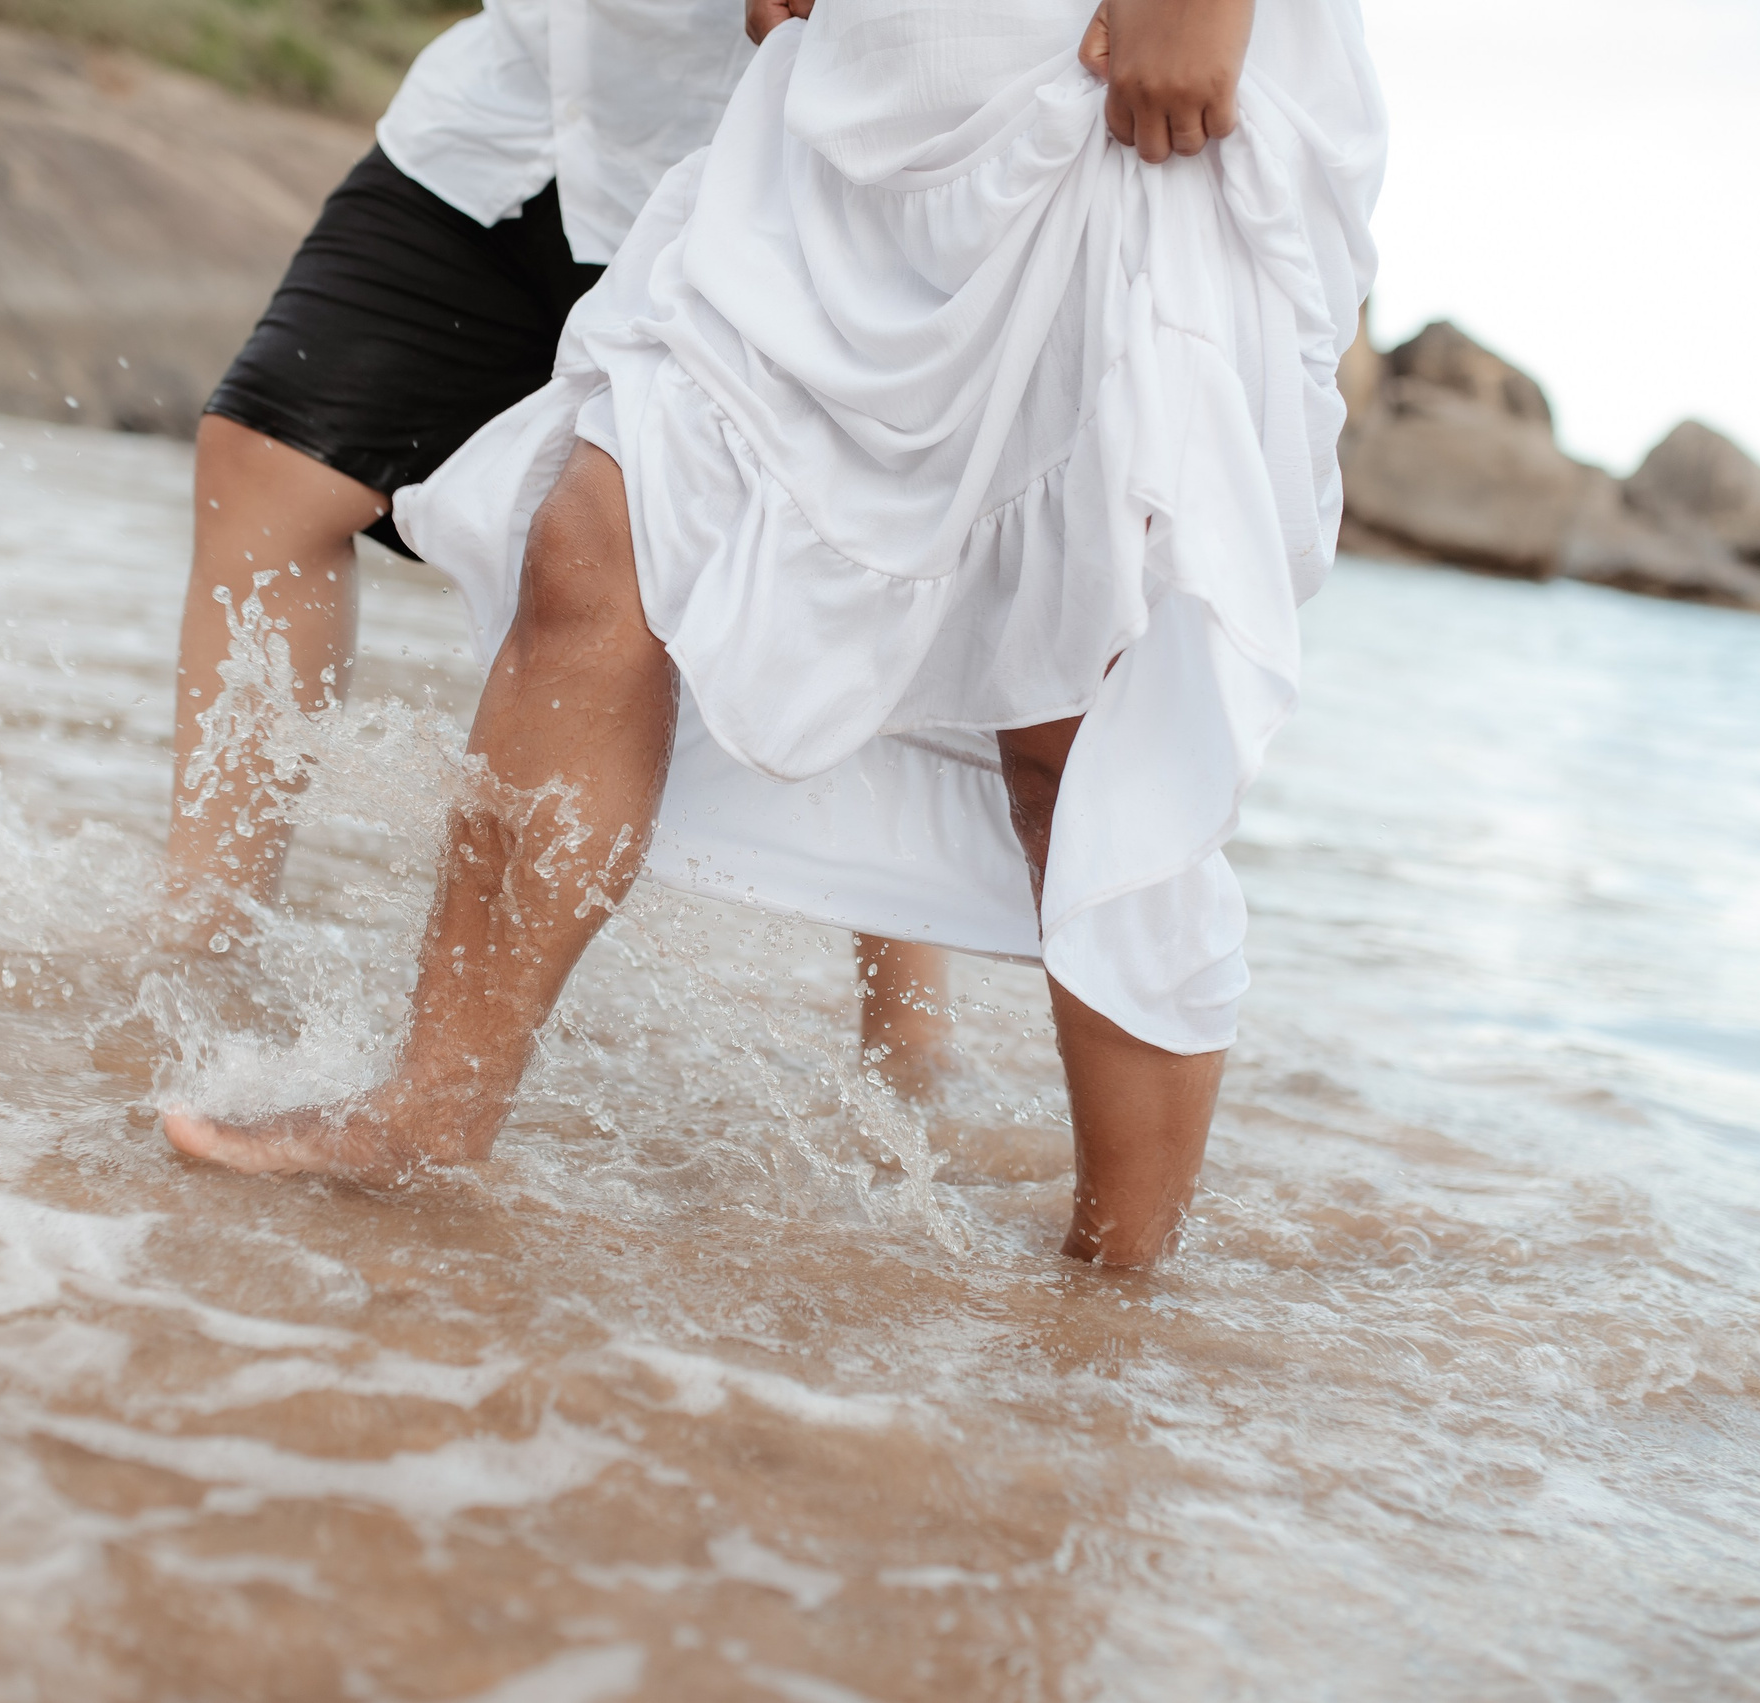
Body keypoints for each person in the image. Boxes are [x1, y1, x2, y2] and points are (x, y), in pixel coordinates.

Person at [165, 0, 1386, 1268]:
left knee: (1071, 718)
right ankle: (428, 1112)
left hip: (1099, 98)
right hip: (862, 91)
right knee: (596, 543)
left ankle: (1116, 1280)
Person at [164, 0, 958, 1092]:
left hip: (765, 156)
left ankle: (907, 1043)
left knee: (835, 560)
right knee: (271, 462)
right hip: (509, 111)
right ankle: (201, 942)